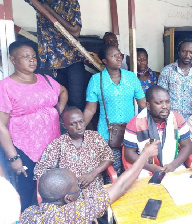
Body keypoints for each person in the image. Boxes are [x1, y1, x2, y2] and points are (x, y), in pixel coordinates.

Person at [20, 140, 158, 223]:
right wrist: (145, 154)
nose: (79, 188)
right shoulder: (71, 214)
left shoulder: (28, 213)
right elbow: (120, 186)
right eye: (77, 187)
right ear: (68, 198)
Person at [0, 41, 68, 211]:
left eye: (33, 57)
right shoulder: (6, 86)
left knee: (54, 188)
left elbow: (64, 91)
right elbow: (1, 124)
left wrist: (58, 111)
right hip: (24, 148)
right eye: (25, 57)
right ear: (13, 60)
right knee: (27, 191)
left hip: (53, 144)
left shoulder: (46, 80)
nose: (31, 60)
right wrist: (13, 158)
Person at [84, 44, 146, 178]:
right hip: (106, 134)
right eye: (113, 56)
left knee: (132, 172)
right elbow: (90, 110)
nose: (119, 59)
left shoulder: (131, 78)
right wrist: (78, 130)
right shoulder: (96, 80)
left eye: (120, 55)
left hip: (131, 133)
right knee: (112, 174)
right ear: (104, 61)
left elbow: (143, 105)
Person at [34, 106, 114, 197]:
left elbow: (109, 157)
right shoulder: (58, 144)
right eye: (73, 124)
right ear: (65, 126)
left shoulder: (95, 137)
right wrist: (66, 183)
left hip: (95, 192)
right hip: (68, 197)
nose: (79, 127)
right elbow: (40, 171)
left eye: (81, 121)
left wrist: (93, 174)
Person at [25, 0, 86, 111]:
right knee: (53, 100)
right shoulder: (38, 2)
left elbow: (75, 32)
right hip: (49, 61)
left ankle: (76, 127)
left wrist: (48, 10)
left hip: (72, 60)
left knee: (76, 100)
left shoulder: (69, 3)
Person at [123, 85, 192, 177]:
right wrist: (152, 167)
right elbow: (129, 154)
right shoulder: (135, 123)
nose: (165, 106)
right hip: (145, 168)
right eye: (159, 103)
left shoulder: (177, 119)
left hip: (173, 166)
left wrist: (173, 165)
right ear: (148, 105)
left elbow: (187, 146)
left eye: (167, 102)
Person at [158, 34, 192, 121]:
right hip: (171, 118)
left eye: (191, 52)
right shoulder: (167, 71)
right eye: (184, 51)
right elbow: (160, 96)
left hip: (191, 118)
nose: (187, 56)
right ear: (178, 51)